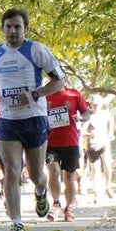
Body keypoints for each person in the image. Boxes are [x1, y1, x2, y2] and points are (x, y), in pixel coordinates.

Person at [0, 8, 65, 231]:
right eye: (8, 26)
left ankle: (41, 192)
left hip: (34, 118)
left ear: (25, 29)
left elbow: (60, 80)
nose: (12, 31)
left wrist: (36, 93)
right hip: (7, 121)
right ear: (3, 28)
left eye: (17, 26)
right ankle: (17, 225)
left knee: (36, 174)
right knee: (12, 171)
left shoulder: (36, 50)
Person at [44, 85, 91, 222]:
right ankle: (56, 203)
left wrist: (81, 118)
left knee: (69, 177)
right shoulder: (44, 95)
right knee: (53, 171)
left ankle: (69, 207)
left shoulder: (74, 94)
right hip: (50, 142)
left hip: (70, 141)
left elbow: (86, 113)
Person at [84, 96, 116, 203]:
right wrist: (88, 134)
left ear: (101, 104)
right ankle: (97, 193)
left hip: (104, 143)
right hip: (92, 145)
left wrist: (111, 133)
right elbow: (82, 131)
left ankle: (108, 186)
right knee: (95, 169)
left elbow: (111, 121)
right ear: (91, 105)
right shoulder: (88, 116)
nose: (95, 106)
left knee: (107, 165)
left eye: (97, 104)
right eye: (94, 104)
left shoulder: (105, 114)